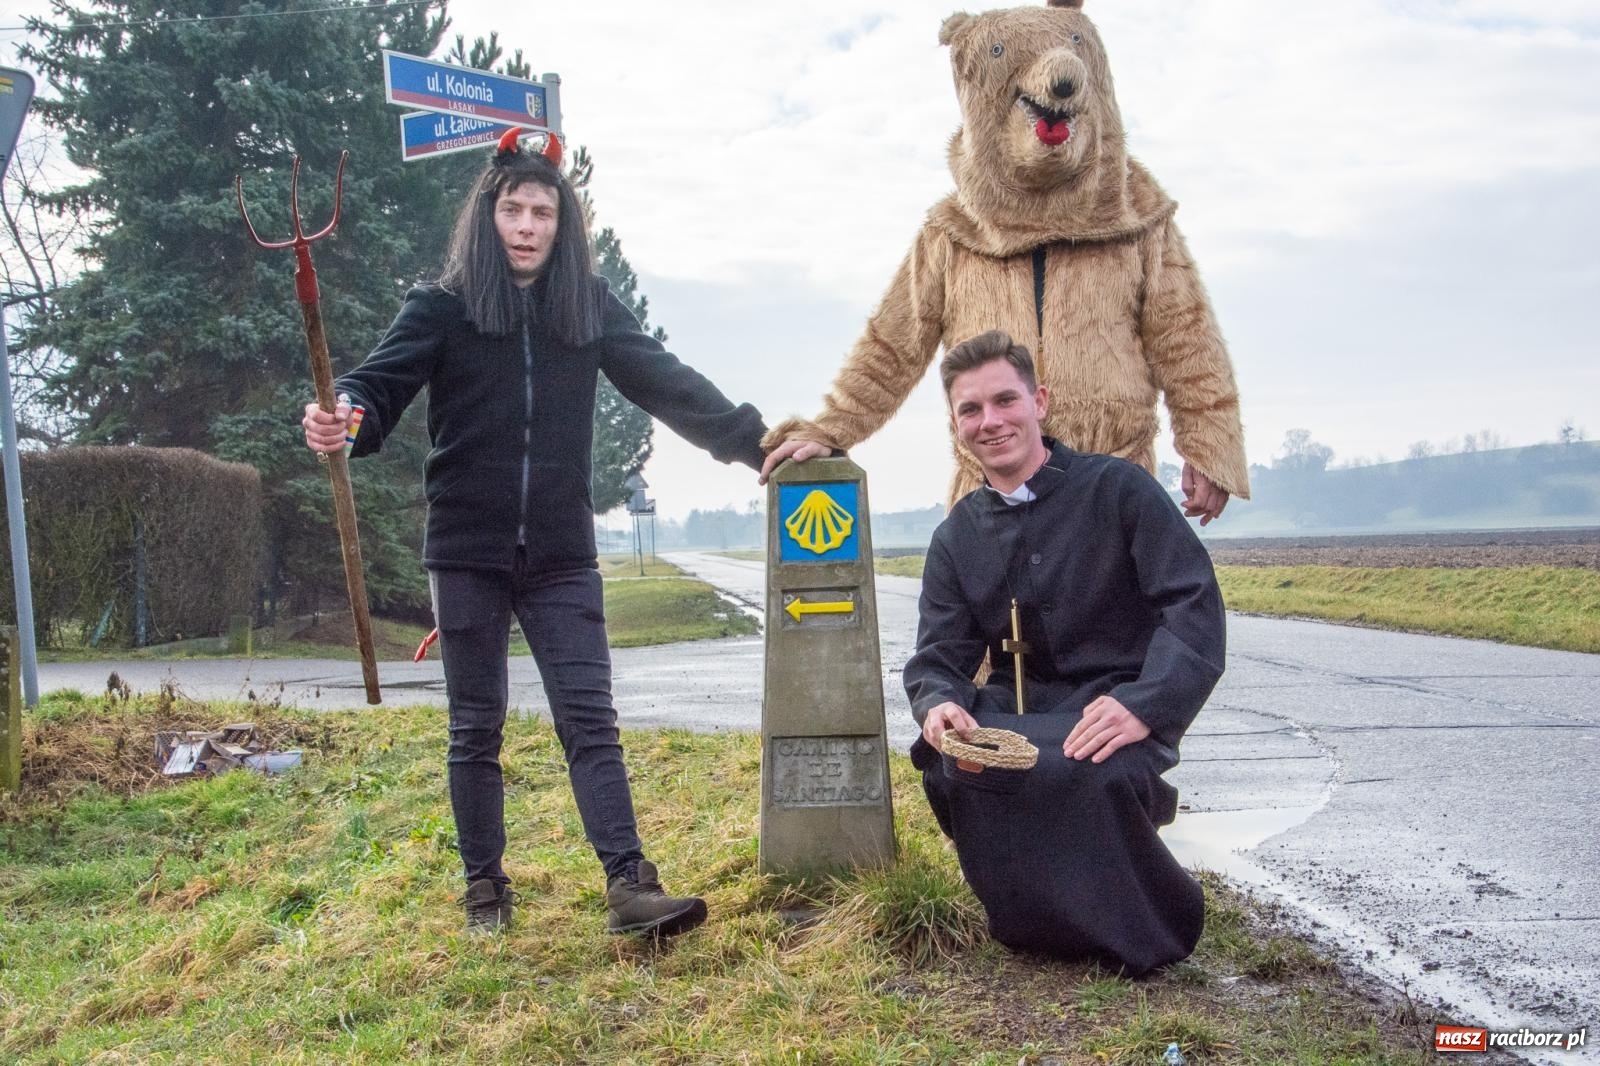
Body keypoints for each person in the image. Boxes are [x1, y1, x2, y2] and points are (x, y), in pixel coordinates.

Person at [301, 132, 767, 937]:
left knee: (590, 722)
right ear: (489, 217)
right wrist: (343, 412)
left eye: (541, 211)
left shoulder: (585, 307)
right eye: (512, 209)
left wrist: (757, 443)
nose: (525, 225)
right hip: (467, 551)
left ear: (562, 222)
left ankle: (631, 885)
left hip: (559, 554)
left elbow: (668, 383)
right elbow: (376, 387)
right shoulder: (441, 305)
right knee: (474, 727)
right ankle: (485, 887)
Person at [903, 329, 1226, 976]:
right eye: (971, 410)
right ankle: (1030, 920)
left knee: (1091, 770)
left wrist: (1145, 705)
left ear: (1039, 402)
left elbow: (1192, 606)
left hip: (1112, 704)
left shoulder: (1120, 491)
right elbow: (939, 654)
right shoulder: (956, 537)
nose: (990, 422)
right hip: (1017, 710)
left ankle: (1145, 927)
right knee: (950, 761)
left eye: (1004, 401)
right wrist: (938, 706)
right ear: (955, 425)